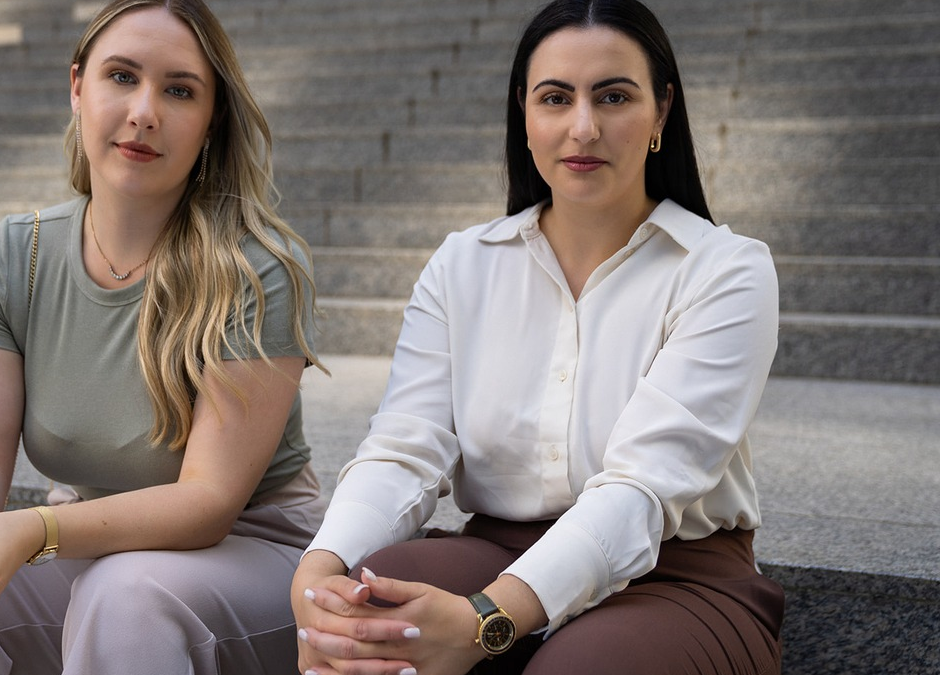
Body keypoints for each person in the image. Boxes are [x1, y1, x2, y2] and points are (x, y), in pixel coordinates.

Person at [0, 1, 326, 673]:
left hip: (256, 555)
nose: (144, 112)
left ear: (211, 121)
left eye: (180, 91)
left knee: (123, 594)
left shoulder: (256, 269)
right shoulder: (12, 257)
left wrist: (37, 528)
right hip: (93, 545)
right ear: (77, 88)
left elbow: (208, 503)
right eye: (121, 77)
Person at [292, 0, 784, 673]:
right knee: (364, 613)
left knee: (582, 667)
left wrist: (484, 620)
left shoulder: (724, 269)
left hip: (677, 574)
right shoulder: (463, 265)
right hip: (496, 548)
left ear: (662, 111)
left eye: (613, 97)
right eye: (556, 98)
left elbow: (642, 488)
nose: (583, 127)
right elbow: (404, 450)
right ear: (523, 114)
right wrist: (318, 570)